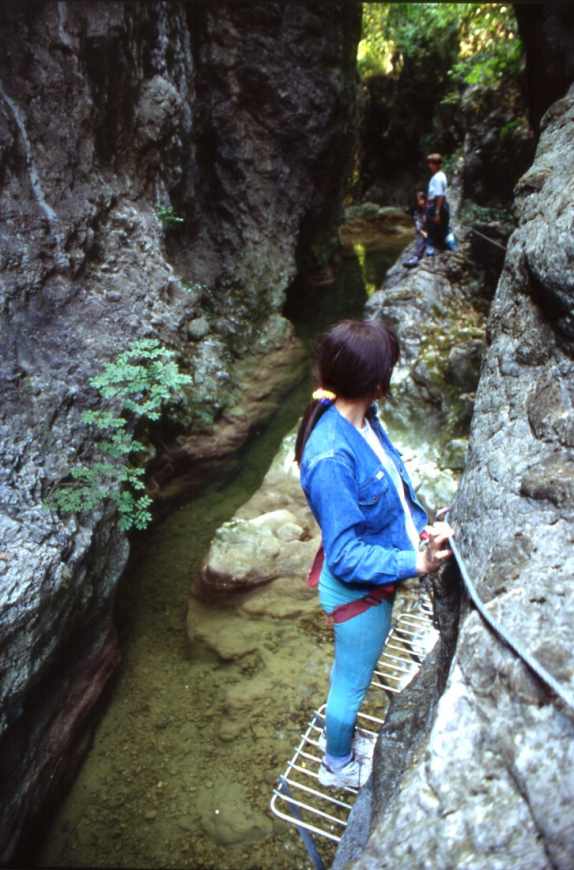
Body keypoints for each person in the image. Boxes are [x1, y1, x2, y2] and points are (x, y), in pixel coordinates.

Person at [295, 319, 453, 789]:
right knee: (350, 686)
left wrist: (421, 530)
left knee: (353, 680)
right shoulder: (330, 457)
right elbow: (345, 557)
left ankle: (340, 753)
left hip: (375, 580)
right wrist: (417, 563)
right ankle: (336, 767)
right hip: (357, 596)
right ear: (377, 384)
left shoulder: (363, 420)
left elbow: (391, 491)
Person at [425, 152, 450, 254]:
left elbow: (440, 195)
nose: (429, 165)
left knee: (432, 230)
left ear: (435, 164)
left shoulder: (438, 178)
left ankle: (432, 253)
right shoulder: (441, 175)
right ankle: (439, 251)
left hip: (436, 205)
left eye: (430, 163)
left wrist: (437, 212)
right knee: (440, 230)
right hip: (438, 205)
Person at [403, 189, 428, 268]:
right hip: (423, 230)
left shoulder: (430, 208)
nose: (419, 201)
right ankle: (416, 257)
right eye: (418, 200)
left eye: (420, 199)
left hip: (431, 229)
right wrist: (421, 231)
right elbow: (417, 222)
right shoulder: (417, 211)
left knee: (423, 236)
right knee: (420, 235)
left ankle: (416, 258)